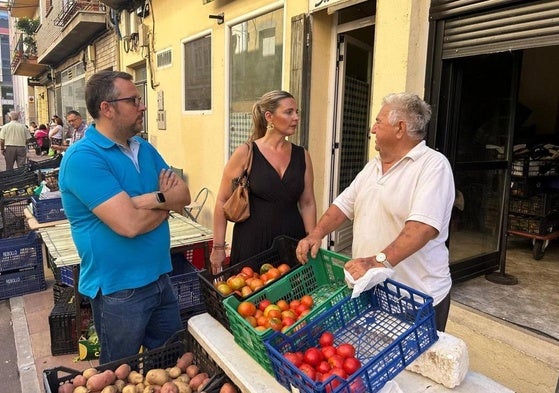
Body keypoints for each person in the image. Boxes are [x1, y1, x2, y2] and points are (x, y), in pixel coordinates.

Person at [59, 70, 190, 363]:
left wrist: (151, 201)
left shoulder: (144, 148)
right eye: (133, 100)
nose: (142, 106)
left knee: (173, 365)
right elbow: (129, 225)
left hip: (159, 278)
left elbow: (184, 196)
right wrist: (165, 205)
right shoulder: (83, 158)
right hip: (119, 290)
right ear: (107, 108)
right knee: (120, 374)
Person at [296, 92, 455, 332]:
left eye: (379, 122)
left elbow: (422, 229)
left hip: (415, 300)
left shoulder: (433, 166)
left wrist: (376, 261)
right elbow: (343, 205)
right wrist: (316, 233)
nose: (372, 129)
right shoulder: (373, 166)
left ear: (400, 128)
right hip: (373, 292)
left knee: (410, 369)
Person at [210, 90, 316, 273]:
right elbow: (222, 201)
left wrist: (312, 238)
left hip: (291, 242)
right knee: (249, 297)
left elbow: (307, 202)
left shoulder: (302, 155)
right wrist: (218, 248)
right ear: (269, 117)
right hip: (252, 243)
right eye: (289, 112)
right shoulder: (246, 152)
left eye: (297, 112)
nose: (296, 117)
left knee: (292, 298)